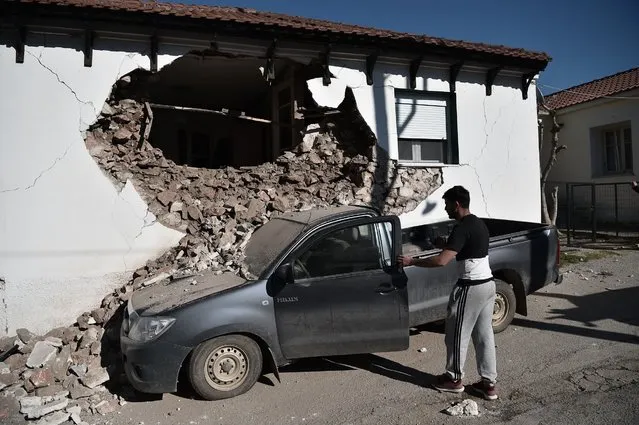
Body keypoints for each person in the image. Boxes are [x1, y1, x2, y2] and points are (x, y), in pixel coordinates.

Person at [397, 185, 498, 401]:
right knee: (484, 336)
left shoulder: (462, 228)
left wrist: (411, 261)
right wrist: (447, 244)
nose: (445, 208)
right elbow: (468, 247)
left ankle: (453, 379)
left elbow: (442, 261)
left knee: (456, 335)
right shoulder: (477, 223)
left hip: (470, 287)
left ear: (457, 204)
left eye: (447, 204)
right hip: (488, 285)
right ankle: (488, 384)